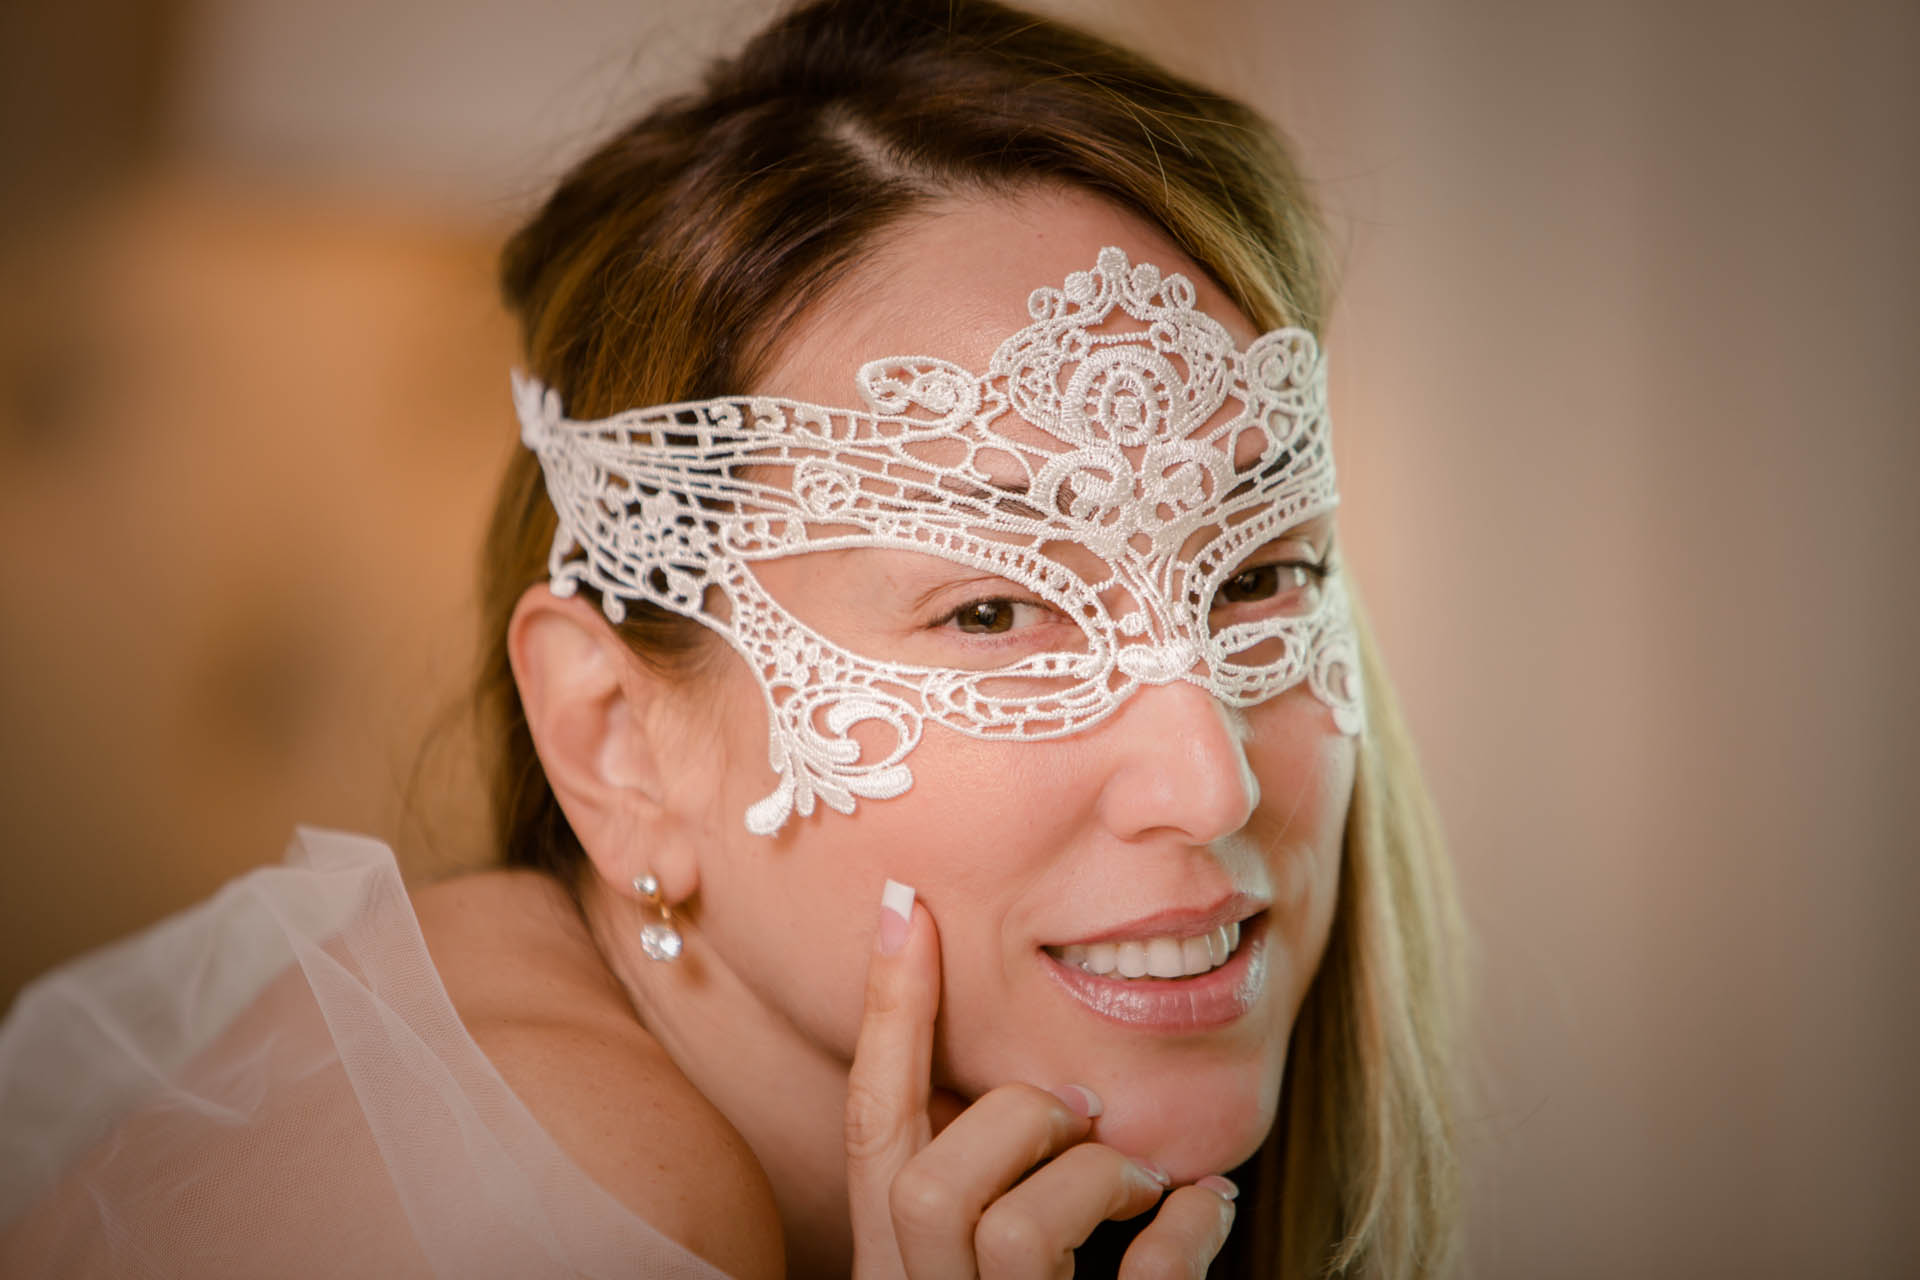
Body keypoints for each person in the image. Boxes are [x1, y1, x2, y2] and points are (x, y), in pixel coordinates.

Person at [0, 0, 1465, 1275]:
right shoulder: (570, 1202)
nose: (1209, 780)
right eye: (993, 610)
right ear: (617, 744)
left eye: (1260, 578)